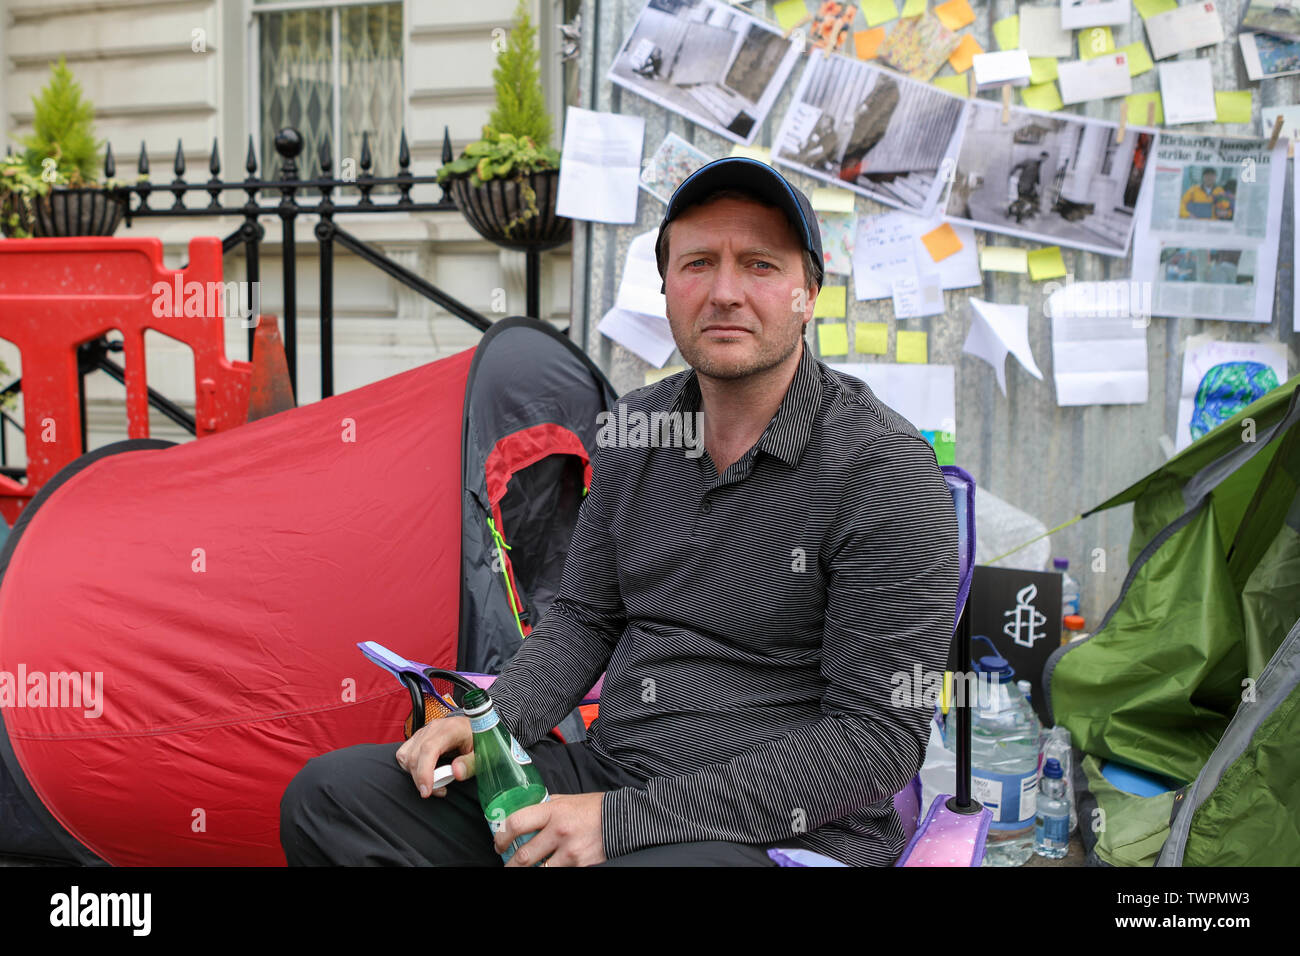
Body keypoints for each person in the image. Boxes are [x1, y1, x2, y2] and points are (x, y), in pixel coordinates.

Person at [279, 158, 959, 867]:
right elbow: (583, 617)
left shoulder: (884, 468)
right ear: (667, 288)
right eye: (698, 263)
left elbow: (873, 741)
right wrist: (495, 723)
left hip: (777, 837)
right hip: (614, 780)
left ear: (807, 293)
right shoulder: (635, 431)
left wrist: (624, 822)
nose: (725, 292)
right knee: (330, 799)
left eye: (759, 265)